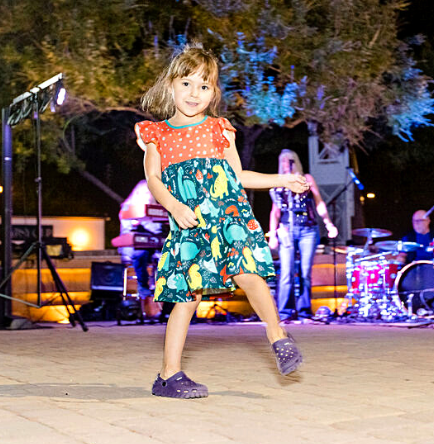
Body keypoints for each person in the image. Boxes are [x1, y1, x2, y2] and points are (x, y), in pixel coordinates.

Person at [135, 43, 309, 399]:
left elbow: (238, 175)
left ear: (213, 93)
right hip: (189, 225)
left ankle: (278, 335)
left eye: (204, 86)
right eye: (186, 83)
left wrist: (283, 179)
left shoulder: (219, 130)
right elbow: (153, 179)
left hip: (228, 219)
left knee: (250, 275)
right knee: (187, 297)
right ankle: (168, 376)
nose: (194, 93)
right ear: (170, 86)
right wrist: (174, 206)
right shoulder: (157, 135)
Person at [268, 150, 339, 322]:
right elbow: (275, 211)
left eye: (289, 160)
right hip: (286, 229)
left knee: (305, 271)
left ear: (295, 161)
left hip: (308, 229)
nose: (286, 163)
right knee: (286, 271)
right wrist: (272, 234)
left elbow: (319, 202)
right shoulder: (278, 183)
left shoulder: (306, 179)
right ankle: (284, 312)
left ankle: (304, 311)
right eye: (282, 160)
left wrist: (328, 223)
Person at [118, 180, 163, 319]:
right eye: (144, 192)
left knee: (167, 257)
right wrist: (138, 222)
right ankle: (144, 290)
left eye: (148, 193)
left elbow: (158, 229)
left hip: (153, 246)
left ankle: (165, 298)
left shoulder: (154, 208)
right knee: (140, 254)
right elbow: (128, 232)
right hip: (135, 247)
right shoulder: (128, 208)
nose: (146, 195)